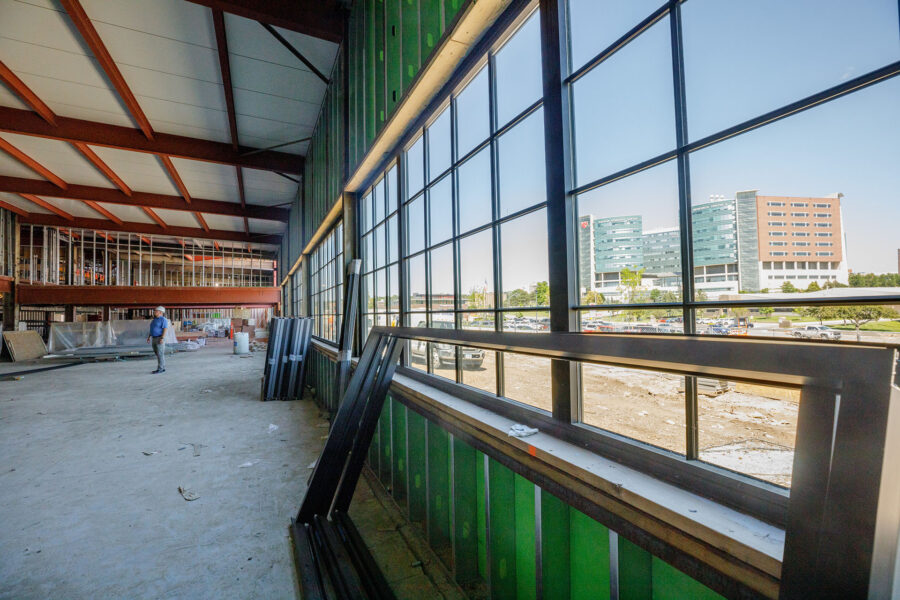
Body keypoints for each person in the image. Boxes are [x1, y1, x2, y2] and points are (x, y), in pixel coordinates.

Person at [146, 306, 171, 374]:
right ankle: (161, 367)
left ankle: (161, 368)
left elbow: (165, 329)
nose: (154, 312)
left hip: (159, 338)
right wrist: (149, 337)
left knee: (160, 354)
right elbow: (152, 329)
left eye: (156, 311)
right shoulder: (154, 320)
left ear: (160, 312)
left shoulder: (163, 319)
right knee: (157, 353)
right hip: (154, 338)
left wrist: (162, 338)